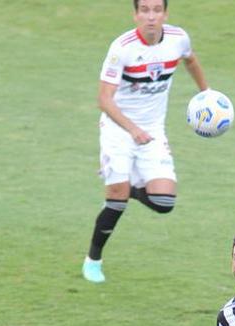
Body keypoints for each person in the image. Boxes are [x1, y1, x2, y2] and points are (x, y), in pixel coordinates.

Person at [80, 0, 210, 284]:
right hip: (118, 128)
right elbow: (104, 100)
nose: (151, 16)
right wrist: (132, 129)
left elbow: (191, 60)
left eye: (156, 10)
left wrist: (207, 93)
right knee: (116, 202)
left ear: (165, 13)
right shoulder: (122, 48)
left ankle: (126, 189)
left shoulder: (178, 39)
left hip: (152, 131)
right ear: (136, 14)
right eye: (145, 10)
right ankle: (93, 260)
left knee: (164, 201)